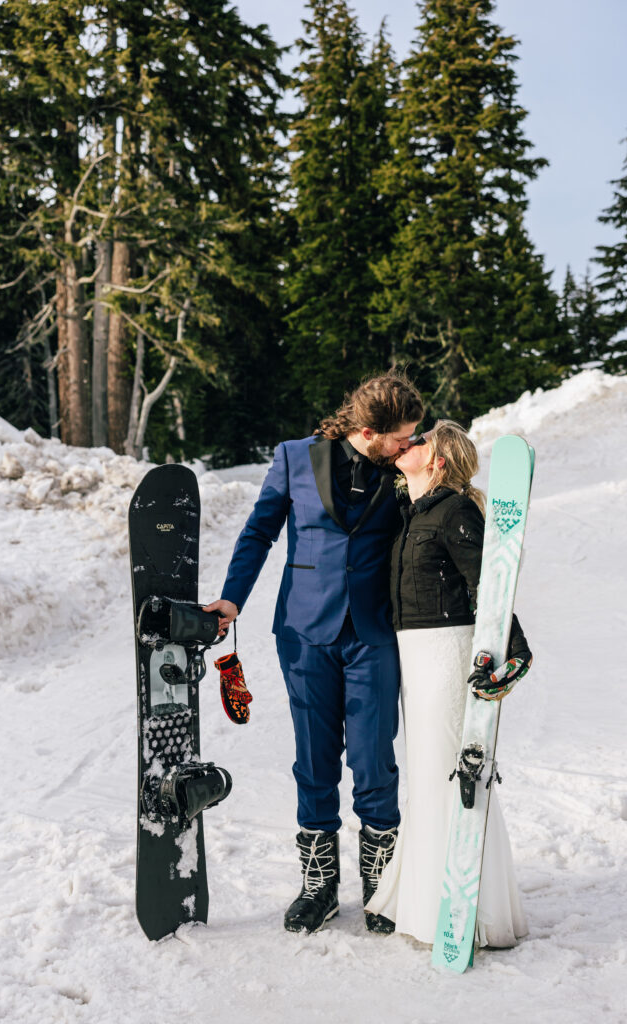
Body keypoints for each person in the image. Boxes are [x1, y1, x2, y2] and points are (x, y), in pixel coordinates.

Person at [204, 372, 424, 935]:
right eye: (402, 436)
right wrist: (233, 598)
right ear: (370, 431)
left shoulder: (405, 468)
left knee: (375, 757)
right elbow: (259, 532)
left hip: (375, 632)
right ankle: (318, 886)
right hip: (304, 630)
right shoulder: (295, 458)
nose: (410, 445)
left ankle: (383, 885)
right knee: (315, 758)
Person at [365, 420, 531, 948]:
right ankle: (426, 898)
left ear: (437, 461)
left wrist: (515, 651)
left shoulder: (455, 510)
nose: (407, 446)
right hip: (414, 654)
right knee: (428, 772)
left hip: (445, 650)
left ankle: (464, 909)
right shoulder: (411, 512)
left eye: (419, 443)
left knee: (448, 772)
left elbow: (491, 580)